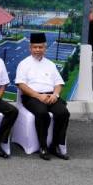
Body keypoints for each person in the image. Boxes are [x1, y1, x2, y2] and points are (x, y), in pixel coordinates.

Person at [16, 32, 70, 160]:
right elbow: (21, 85)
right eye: (35, 47)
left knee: (63, 113)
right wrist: (38, 96)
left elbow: (59, 83)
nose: (37, 50)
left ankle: (56, 146)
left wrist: (55, 95)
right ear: (30, 48)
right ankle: (43, 147)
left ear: (45, 48)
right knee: (42, 113)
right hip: (31, 97)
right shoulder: (24, 64)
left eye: (40, 47)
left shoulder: (50, 64)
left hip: (50, 96)